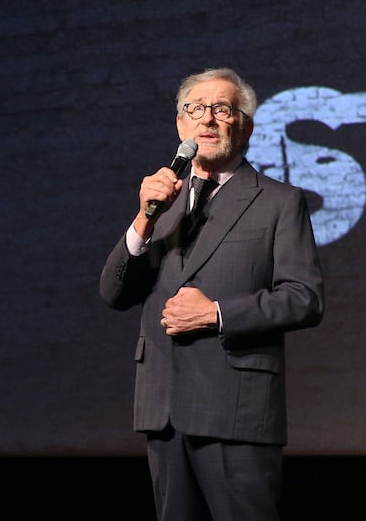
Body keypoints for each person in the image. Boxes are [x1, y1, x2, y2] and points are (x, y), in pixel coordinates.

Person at [100, 67, 325, 521]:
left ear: (244, 126)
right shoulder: (163, 203)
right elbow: (114, 292)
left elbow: (304, 297)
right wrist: (144, 218)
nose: (207, 119)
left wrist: (217, 314)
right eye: (196, 110)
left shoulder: (279, 201)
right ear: (180, 125)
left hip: (236, 408)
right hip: (163, 407)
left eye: (222, 109)